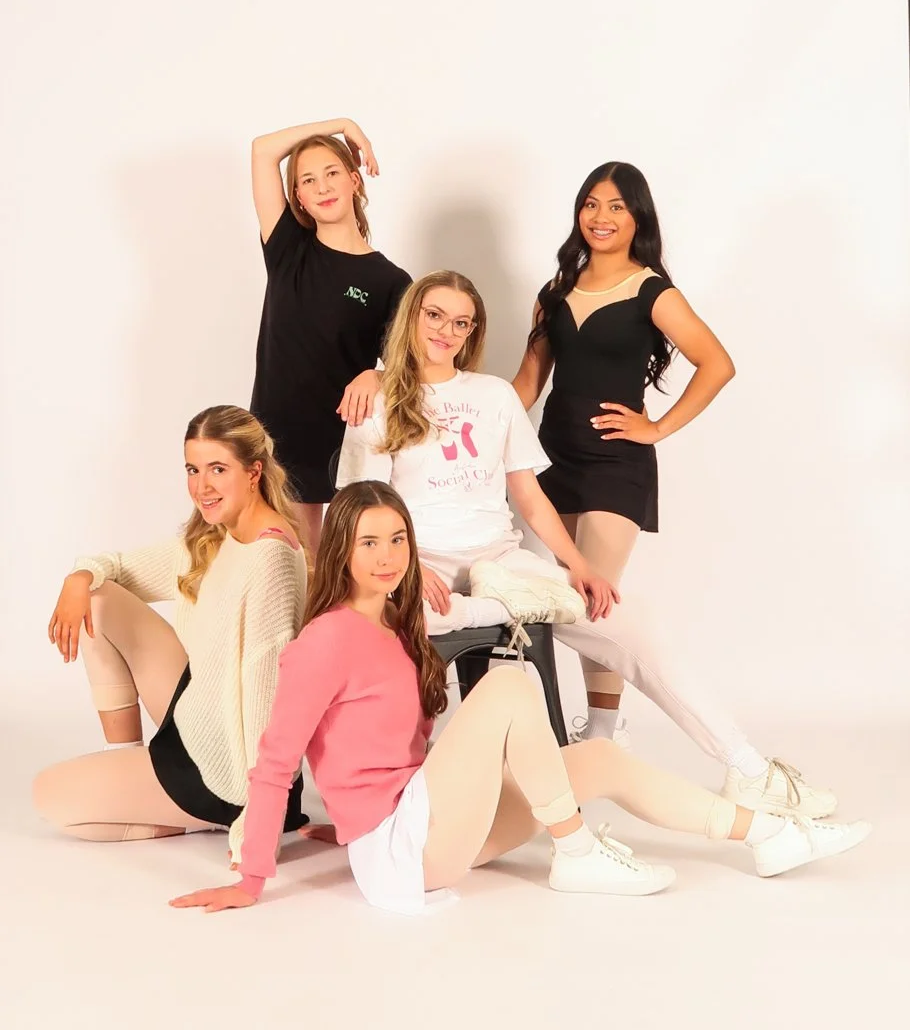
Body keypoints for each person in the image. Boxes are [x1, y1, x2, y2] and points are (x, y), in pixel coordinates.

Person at [169, 481, 869, 916]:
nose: (387, 556)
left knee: (595, 758)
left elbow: (383, 751)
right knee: (506, 682)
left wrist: (343, 824)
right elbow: (275, 761)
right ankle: (575, 849)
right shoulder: (325, 638)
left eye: (398, 540)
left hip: (427, 822)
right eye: (368, 543)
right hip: (406, 851)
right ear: (340, 552)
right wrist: (252, 878)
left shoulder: (399, 622)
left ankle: (768, 835)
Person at [333, 270, 836, 819]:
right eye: (435, 315)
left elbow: (528, 496)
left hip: (499, 560)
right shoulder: (377, 398)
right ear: (413, 316)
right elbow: (365, 506)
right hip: (419, 563)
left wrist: (577, 565)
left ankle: (748, 769)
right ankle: (500, 610)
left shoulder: (494, 396)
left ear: (473, 332)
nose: (446, 331)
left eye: (462, 322)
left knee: (630, 621)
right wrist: (405, 571)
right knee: (412, 622)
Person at [511, 161, 734, 754]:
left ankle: (604, 731)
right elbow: (529, 383)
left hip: (617, 463)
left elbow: (717, 364)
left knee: (594, 598)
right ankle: (591, 727)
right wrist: (466, 416)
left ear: (637, 216)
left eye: (615, 206)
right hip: (553, 460)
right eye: (591, 203)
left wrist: (656, 427)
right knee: (559, 601)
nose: (601, 217)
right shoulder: (554, 293)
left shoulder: (652, 291)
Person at [33, 405, 309, 861]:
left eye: (218, 469)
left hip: (228, 767)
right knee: (98, 600)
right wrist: (77, 578)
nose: (202, 486)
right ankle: (122, 758)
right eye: (193, 469)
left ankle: (201, 814)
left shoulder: (269, 559)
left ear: (254, 471)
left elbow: (267, 693)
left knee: (50, 797)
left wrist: (260, 815)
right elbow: (119, 567)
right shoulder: (217, 535)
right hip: (199, 710)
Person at [249, 116, 411, 552]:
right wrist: (343, 124)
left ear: (356, 180)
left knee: (326, 570)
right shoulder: (288, 249)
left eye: (333, 172)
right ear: (297, 196)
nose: (322, 187)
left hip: (341, 442)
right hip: (274, 435)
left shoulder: (390, 281)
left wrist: (376, 376)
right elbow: (263, 149)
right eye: (308, 180)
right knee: (280, 564)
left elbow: (412, 370)